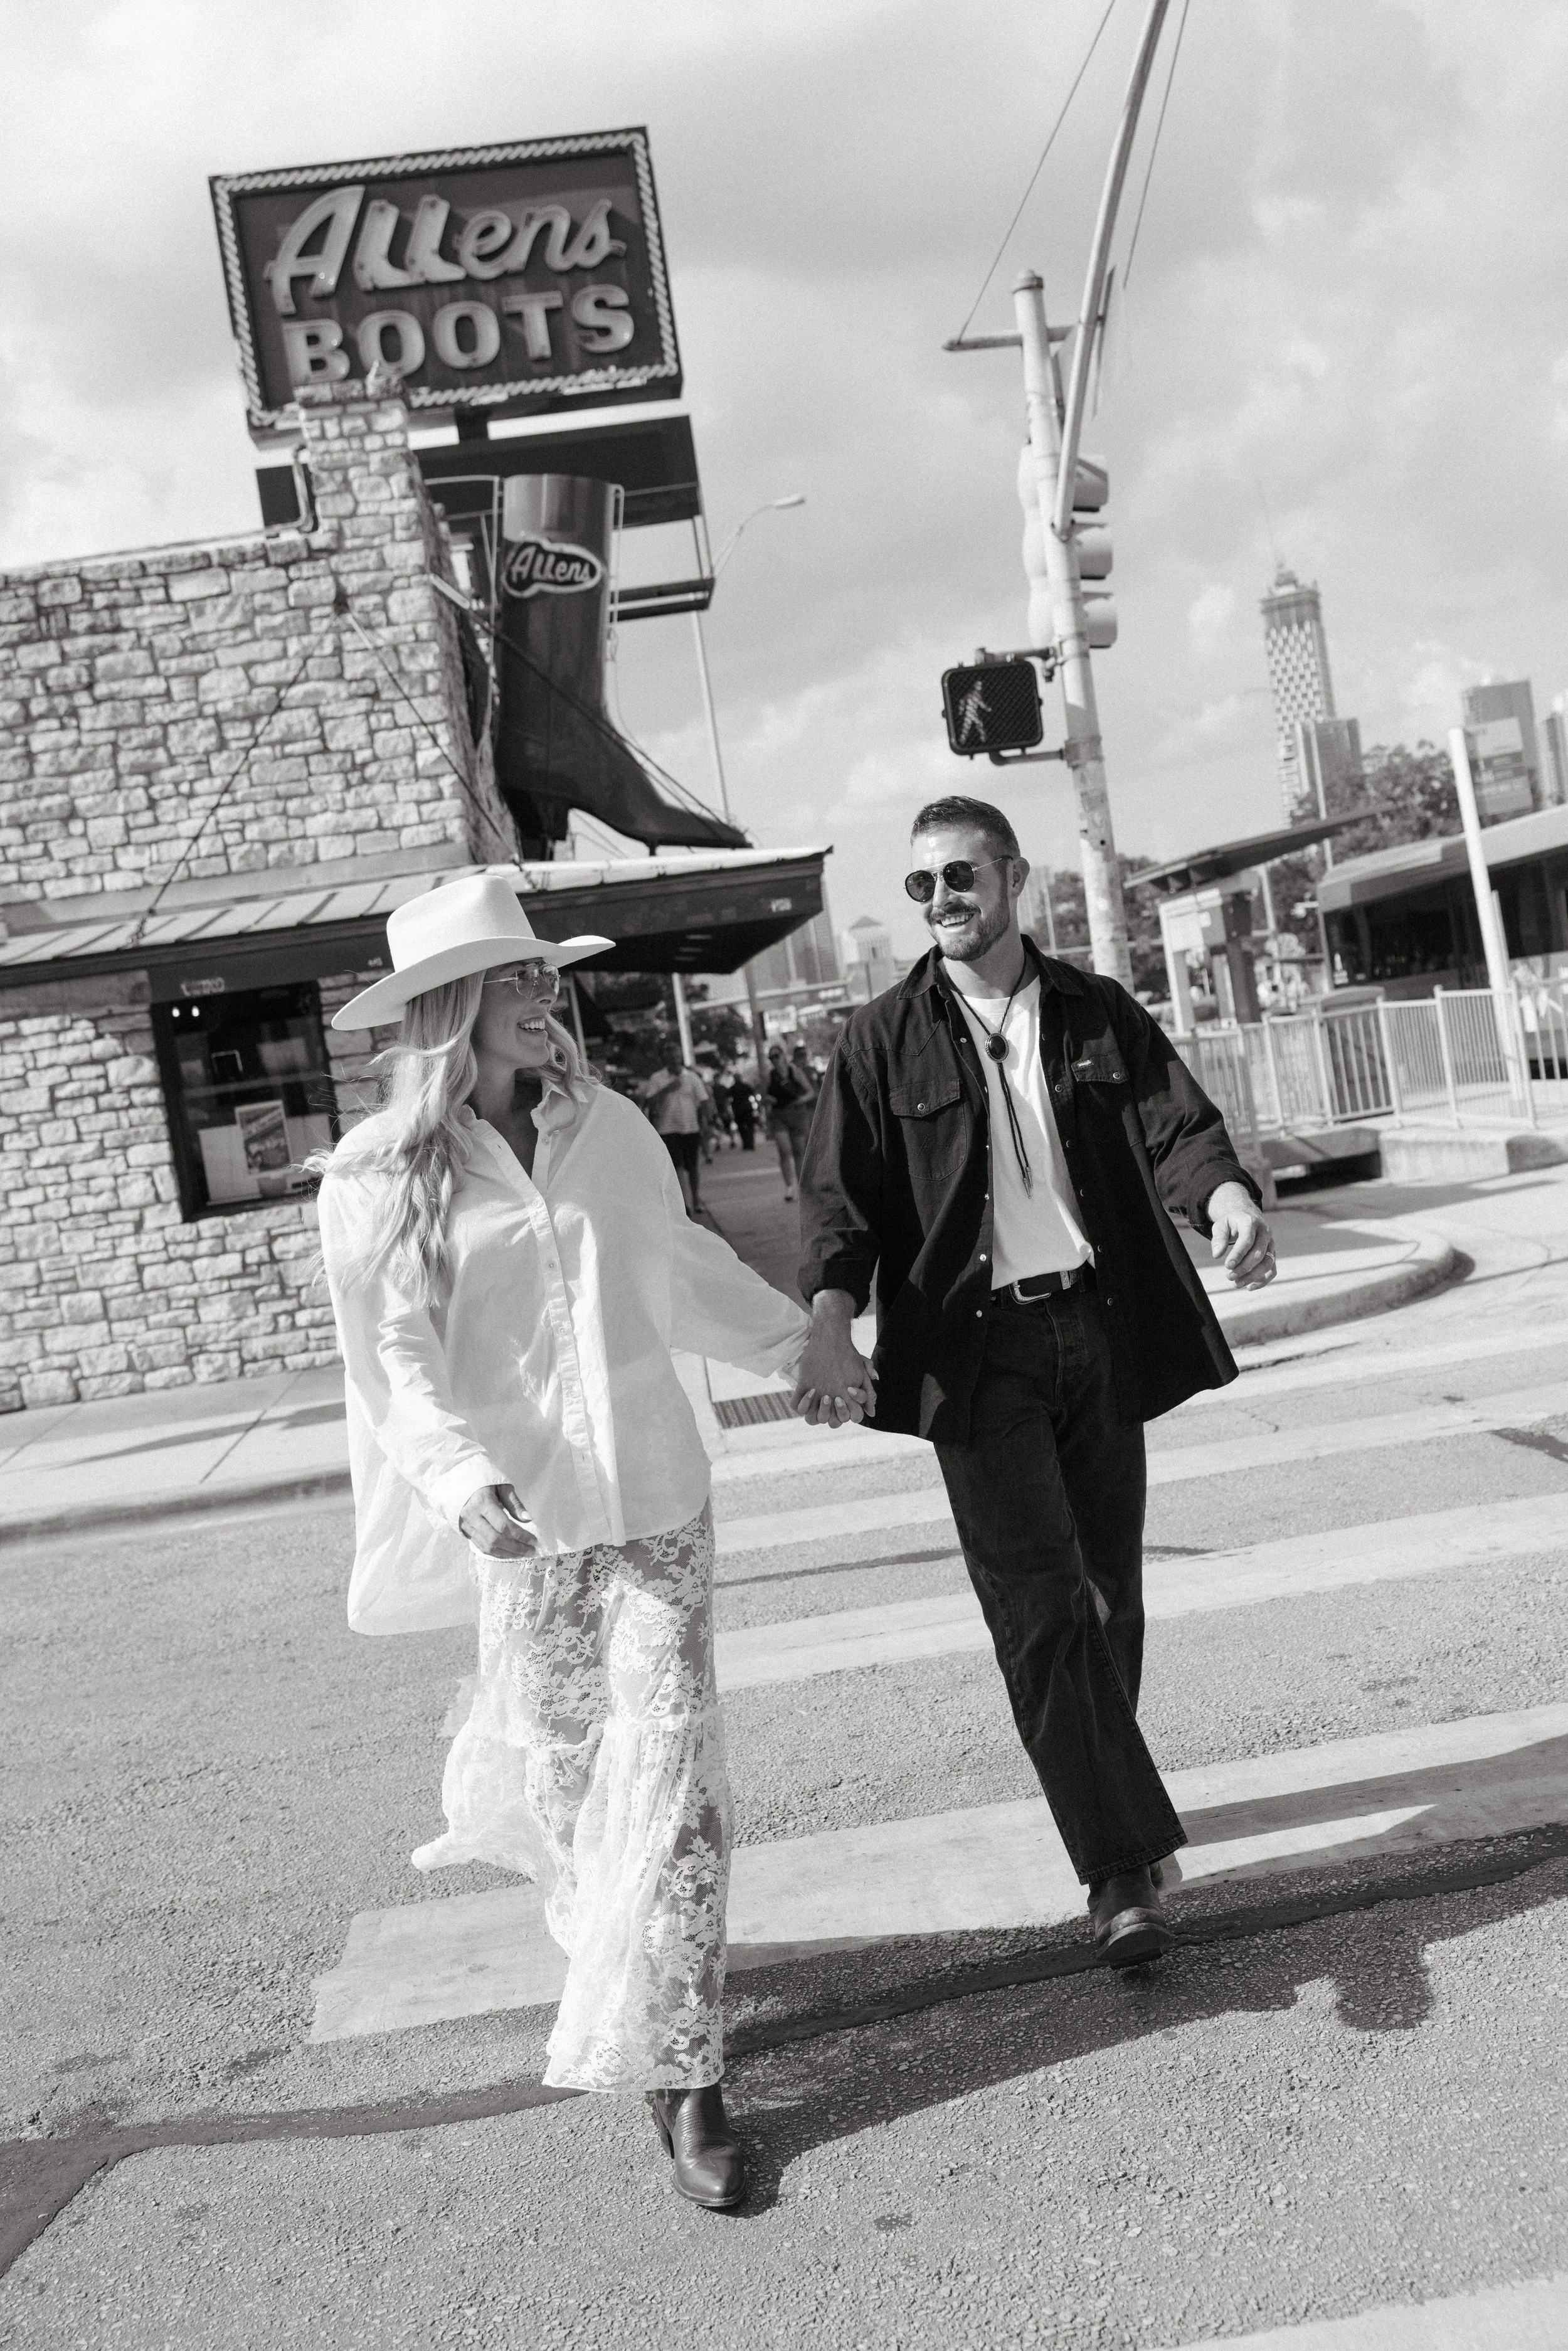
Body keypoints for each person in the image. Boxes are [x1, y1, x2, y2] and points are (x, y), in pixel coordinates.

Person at [315, 874, 860, 2209]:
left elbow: (673, 1262)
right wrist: (458, 1478)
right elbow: (390, 1361)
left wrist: (801, 1347)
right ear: (452, 1004)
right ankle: (637, 1991)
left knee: (672, 1781)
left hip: (658, 1501)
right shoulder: (378, 1172)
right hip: (530, 1527)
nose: (543, 991)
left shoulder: (610, 1124)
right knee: (572, 1795)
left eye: (544, 969)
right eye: (515, 974)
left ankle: (690, 2074)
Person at [792, 796, 1276, 1965]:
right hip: (975, 1356)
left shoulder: (1094, 1010)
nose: (941, 900)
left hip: (1098, 1330)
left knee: (1109, 1595)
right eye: (922, 885)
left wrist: (1225, 1196)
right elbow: (838, 1204)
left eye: (961, 876)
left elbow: (1176, 1127)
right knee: (1040, 1610)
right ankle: (1119, 1873)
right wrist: (829, 1324)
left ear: (1013, 878)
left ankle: (1114, 1805)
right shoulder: (880, 1039)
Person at [639, 1059, 711, 1215]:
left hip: (690, 1128)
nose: (675, 1064)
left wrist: (707, 1123)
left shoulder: (692, 1077)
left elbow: (704, 1100)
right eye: (671, 1059)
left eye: (677, 1060)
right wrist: (667, 1089)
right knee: (676, 1166)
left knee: (693, 1167)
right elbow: (649, 1102)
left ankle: (695, 1199)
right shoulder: (657, 1078)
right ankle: (685, 1203)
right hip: (667, 1129)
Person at [764, 1041, 812, 1200]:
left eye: (776, 1056)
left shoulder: (795, 1072)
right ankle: (789, 1187)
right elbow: (764, 1097)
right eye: (771, 1057)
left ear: (783, 1056)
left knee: (799, 1153)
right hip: (779, 1116)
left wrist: (800, 1100)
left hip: (797, 1114)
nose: (774, 1060)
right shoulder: (769, 1076)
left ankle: (802, 1187)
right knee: (784, 1151)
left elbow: (810, 1092)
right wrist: (767, 1101)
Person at [728, 1063, 758, 1154]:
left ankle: (746, 1144)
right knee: (749, 1126)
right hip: (746, 1108)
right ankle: (750, 1144)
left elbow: (727, 1099)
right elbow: (754, 1094)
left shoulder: (733, 1088)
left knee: (742, 1127)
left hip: (739, 1109)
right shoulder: (745, 1086)